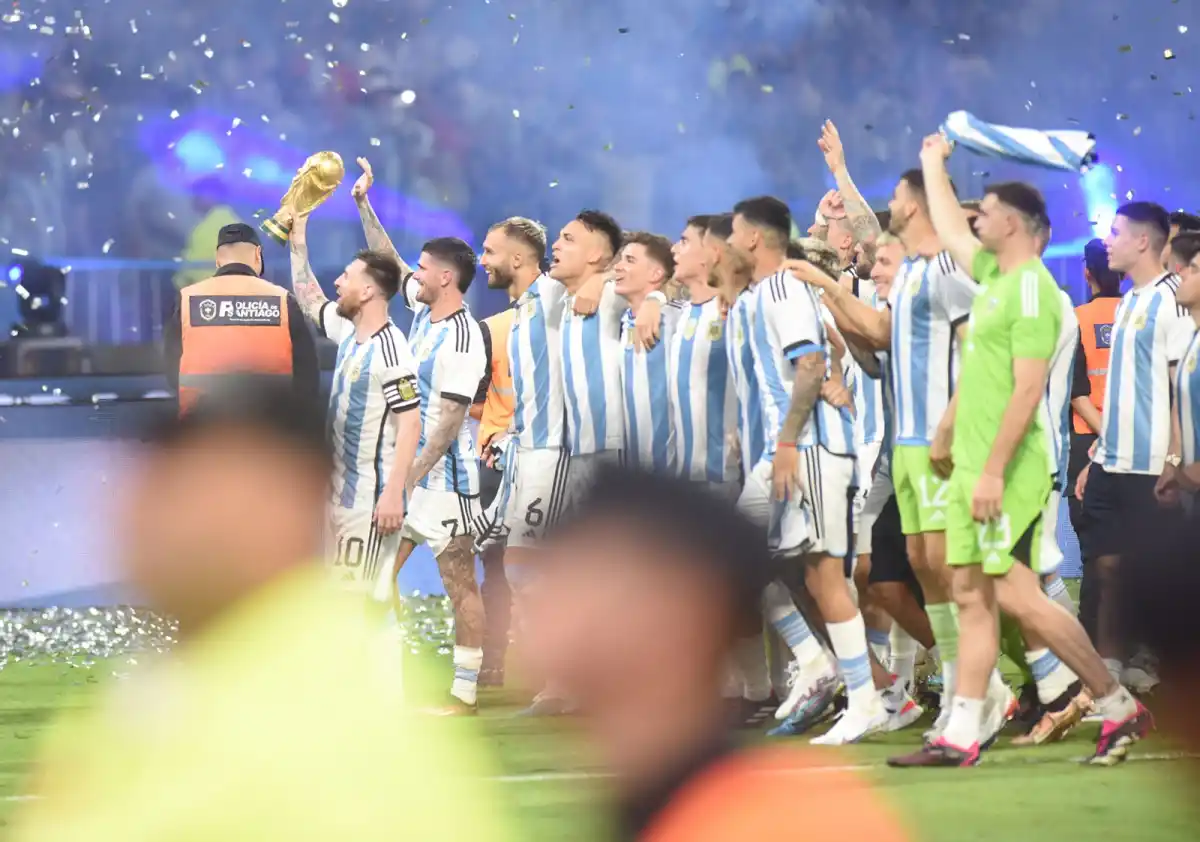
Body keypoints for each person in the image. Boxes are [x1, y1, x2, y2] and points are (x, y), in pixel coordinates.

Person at [9, 379, 519, 842]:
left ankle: (467, 687)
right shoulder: (189, 685)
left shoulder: (303, 727)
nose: (150, 517)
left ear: (284, 510)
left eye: (199, 494)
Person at [889, 135, 1149, 768]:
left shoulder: (1031, 290)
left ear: (1015, 223)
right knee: (976, 595)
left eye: (988, 212)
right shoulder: (995, 279)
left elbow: (1029, 391)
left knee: (1016, 595)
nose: (976, 220)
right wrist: (932, 164)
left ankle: (1115, 702)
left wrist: (993, 473)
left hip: (1007, 470)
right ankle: (962, 733)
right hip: (978, 466)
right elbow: (951, 230)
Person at [524, 465, 911, 842]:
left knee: (824, 579)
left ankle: (838, 676)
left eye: (598, 584)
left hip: (783, 461)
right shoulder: (639, 806)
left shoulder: (803, 822)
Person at [705, 209, 836, 730]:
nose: (725, 245)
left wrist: (785, 440)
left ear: (751, 239)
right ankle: (831, 670)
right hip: (775, 451)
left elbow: (814, 360)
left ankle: (830, 669)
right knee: (801, 572)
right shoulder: (751, 303)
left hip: (796, 452)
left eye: (731, 235)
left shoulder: (782, 289)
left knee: (835, 575)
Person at [1076, 202, 1192, 690]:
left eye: (1116, 232)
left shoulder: (1172, 299)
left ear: (1144, 241)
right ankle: (1108, 667)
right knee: (1103, 565)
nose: (1109, 241)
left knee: (1144, 570)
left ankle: (1150, 660)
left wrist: (1173, 459)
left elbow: (1178, 387)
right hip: (1111, 458)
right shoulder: (1127, 302)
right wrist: (1097, 456)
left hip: (1150, 464)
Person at [285, 209, 422, 605]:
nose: (337, 282)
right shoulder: (349, 332)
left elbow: (410, 424)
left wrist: (394, 493)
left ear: (368, 292)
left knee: (358, 607)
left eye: (346, 277)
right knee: (345, 605)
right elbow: (310, 301)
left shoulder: (392, 349)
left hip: (370, 502)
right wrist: (299, 243)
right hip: (339, 496)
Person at [383, 236, 489, 713]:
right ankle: (389, 674)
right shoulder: (425, 311)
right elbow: (389, 261)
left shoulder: (465, 339)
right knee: (377, 575)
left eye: (423, 268)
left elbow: (448, 425)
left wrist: (405, 478)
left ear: (446, 277)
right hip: (407, 475)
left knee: (459, 583)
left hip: (447, 483)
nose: (415, 275)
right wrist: (364, 204)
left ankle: (464, 693)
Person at [471, 219, 541, 687]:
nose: (483, 261)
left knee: (544, 566)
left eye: (491, 251)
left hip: (550, 460)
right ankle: (496, 658)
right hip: (498, 462)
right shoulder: (491, 329)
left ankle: (548, 662)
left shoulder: (567, 314)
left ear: (517, 258)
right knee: (495, 562)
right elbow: (475, 397)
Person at [163, 222, 319, 416]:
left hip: (201, 432)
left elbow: (171, 369)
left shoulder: (188, 299)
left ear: (218, 260)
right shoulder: (283, 301)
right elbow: (308, 375)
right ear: (257, 254)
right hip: (270, 431)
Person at [1069, 239, 1123, 644]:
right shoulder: (1139, 313)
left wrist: (1105, 433)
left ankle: (1092, 649)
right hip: (1135, 445)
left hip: (1087, 442)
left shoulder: (1076, 319)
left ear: (1086, 273)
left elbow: (1077, 389)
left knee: (1094, 554)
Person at [668, 215, 739, 495]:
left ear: (710, 254)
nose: (674, 249)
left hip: (725, 476)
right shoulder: (681, 313)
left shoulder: (734, 310)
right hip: (684, 477)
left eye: (684, 242)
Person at [615, 231, 682, 474]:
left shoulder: (677, 319)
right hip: (634, 470)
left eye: (630, 260)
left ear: (656, 274)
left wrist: (656, 299)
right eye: (620, 259)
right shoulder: (623, 321)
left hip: (674, 472)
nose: (618, 267)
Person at [173, 176, 242, 289]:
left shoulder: (212, 226)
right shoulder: (233, 221)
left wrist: (180, 282)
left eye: (198, 193)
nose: (194, 198)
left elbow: (196, 263)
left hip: (208, 290)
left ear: (212, 195)